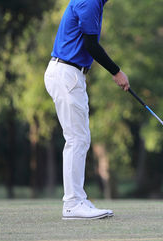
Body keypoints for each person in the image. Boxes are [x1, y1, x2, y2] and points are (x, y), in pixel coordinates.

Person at [44, 0, 129, 220]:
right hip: (67, 73)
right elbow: (91, 45)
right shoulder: (91, 1)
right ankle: (72, 204)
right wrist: (116, 72)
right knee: (76, 139)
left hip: (71, 73)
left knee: (80, 138)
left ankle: (78, 200)